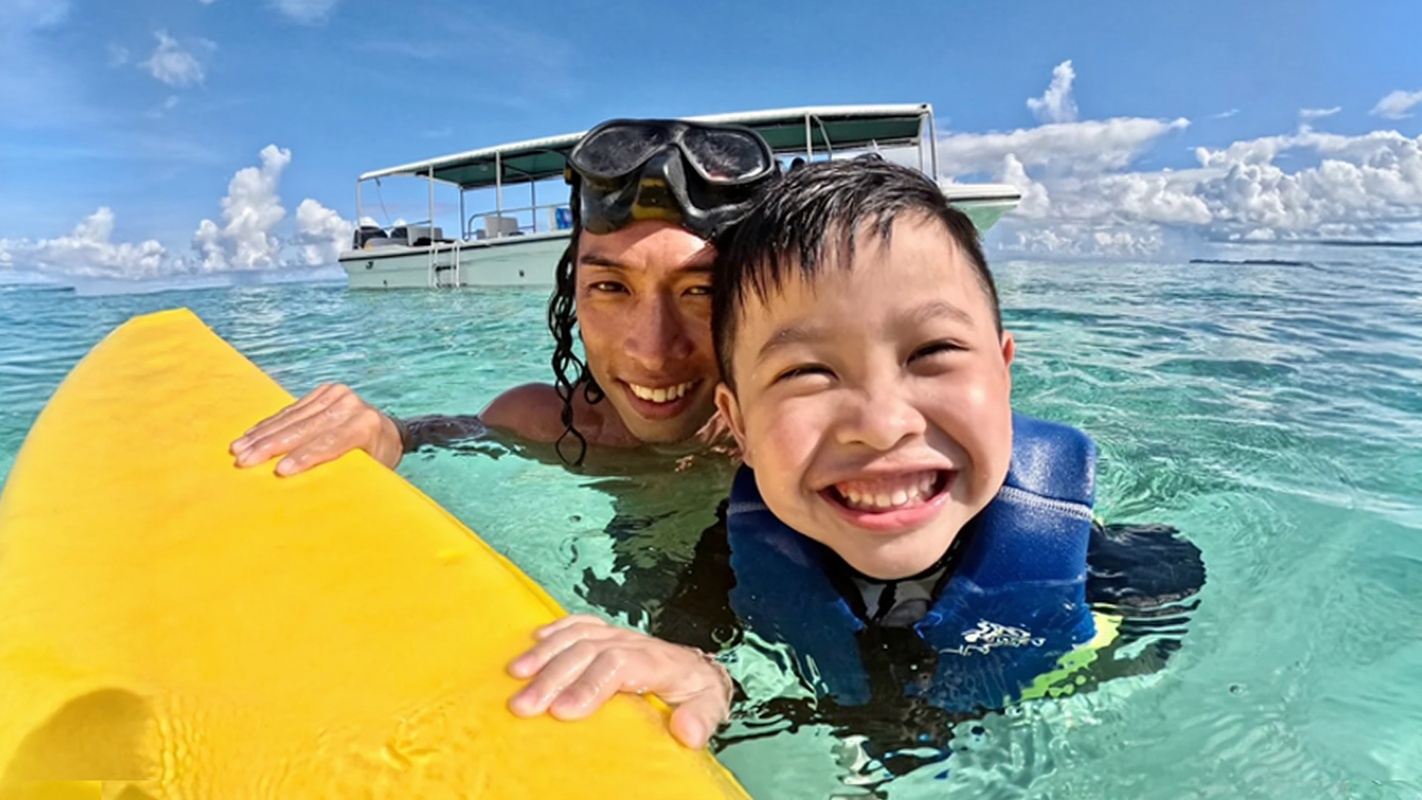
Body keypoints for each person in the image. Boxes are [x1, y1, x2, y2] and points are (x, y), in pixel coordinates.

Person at [505, 159, 1204, 765]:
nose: (880, 425)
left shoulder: (1102, 563)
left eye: (931, 354)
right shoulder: (732, 555)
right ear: (737, 423)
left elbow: (1155, 651)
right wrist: (711, 682)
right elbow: (696, 663)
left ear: (1003, 372)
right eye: (808, 372)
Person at [229, 117, 781, 474]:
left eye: (700, 291)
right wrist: (386, 429)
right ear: (572, 294)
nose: (654, 352)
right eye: (610, 288)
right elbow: (431, 432)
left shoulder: (787, 439)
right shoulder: (543, 421)